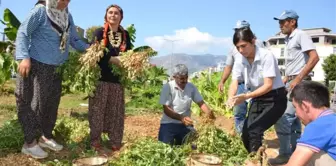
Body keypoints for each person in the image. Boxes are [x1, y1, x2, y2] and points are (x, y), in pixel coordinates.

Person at [15, 0, 89, 159]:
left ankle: (45, 137)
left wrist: (90, 51)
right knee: (37, 104)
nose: (66, 2)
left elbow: (74, 40)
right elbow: (23, 32)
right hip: (39, 65)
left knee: (51, 104)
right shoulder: (41, 11)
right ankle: (29, 143)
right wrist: (23, 57)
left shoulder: (67, 16)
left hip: (57, 67)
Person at [269, 10, 320, 165]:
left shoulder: (300, 35)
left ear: (293, 22)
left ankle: (285, 154)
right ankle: (296, 152)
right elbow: (296, 63)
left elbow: (314, 57)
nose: (280, 25)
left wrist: (297, 78)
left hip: (300, 83)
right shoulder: (289, 39)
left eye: (283, 21)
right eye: (279, 22)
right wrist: (287, 78)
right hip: (292, 81)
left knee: (283, 117)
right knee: (296, 120)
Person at [227, 27, 287, 153]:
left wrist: (247, 96)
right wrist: (231, 98)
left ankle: (256, 160)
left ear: (253, 41)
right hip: (258, 98)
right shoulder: (240, 59)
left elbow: (268, 85)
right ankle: (254, 158)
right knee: (245, 133)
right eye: (238, 47)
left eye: (243, 46)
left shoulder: (266, 56)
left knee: (254, 131)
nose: (241, 50)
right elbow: (234, 81)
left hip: (275, 99)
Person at [247, 81, 336, 166]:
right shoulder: (331, 118)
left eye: (295, 107)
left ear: (305, 106)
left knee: (312, 156)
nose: (296, 113)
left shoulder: (317, 127)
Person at [88, 4, 131, 154]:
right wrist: (112, 59)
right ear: (106, 16)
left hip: (117, 81)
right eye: (110, 13)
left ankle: (115, 141)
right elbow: (94, 52)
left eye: (116, 13)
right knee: (97, 111)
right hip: (100, 78)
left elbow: (129, 54)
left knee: (116, 112)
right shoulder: (99, 33)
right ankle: (95, 141)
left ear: (121, 17)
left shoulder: (125, 35)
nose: (113, 15)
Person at [218, 20, 265, 135]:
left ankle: (256, 138)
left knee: (257, 112)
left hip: (256, 84)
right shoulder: (234, 48)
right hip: (240, 83)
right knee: (239, 112)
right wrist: (222, 81)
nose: (241, 50)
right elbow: (229, 66)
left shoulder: (258, 44)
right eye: (237, 30)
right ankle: (241, 137)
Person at [158, 64, 215, 146]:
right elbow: (166, 109)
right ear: (174, 77)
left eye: (186, 77)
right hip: (169, 124)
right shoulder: (168, 87)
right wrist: (181, 118)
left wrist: (209, 113)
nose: (184, 80)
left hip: (185, 125)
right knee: (165, 149)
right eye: (181, 78)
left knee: (194, 146)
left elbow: (201, 103)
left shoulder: (191, 87)